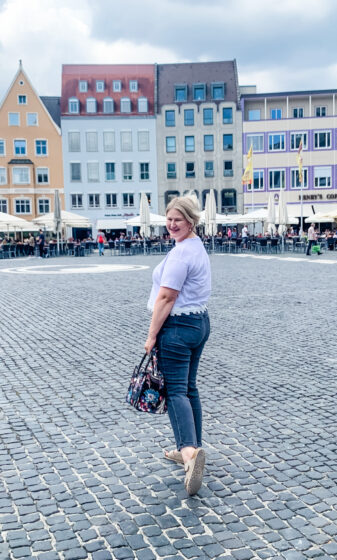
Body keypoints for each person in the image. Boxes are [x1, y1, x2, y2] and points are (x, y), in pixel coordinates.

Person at [144, 196, 211, 497]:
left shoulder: (181, 254)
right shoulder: (196, 246)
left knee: (176, 392)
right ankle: (193, 446)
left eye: (178, 220)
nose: (171, 225)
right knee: (189, 388)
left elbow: (166, 298)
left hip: (178, 327)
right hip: (199, 323)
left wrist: (151, 335)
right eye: (168, 219)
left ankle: (189, 454)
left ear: (191, 221)